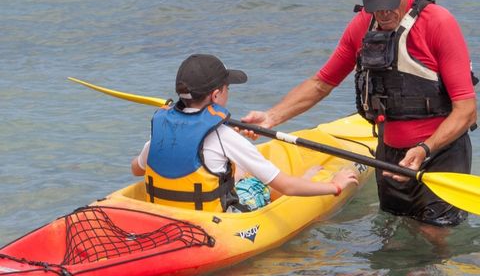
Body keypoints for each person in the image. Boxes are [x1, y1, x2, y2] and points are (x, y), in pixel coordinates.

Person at [242, 0, 477, 227]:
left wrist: (425, 149)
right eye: (376, 6)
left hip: (439, 155)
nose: (383, 13)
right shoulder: (362, 25)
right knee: (394, 236)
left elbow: (466, 111)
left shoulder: (438, 23)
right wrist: (271, 117)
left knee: (435, 236)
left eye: (390, 4)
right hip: (389, 157)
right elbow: (321, 83)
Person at [131, 53, 359, 212]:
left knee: (236, 169)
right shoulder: (223, 136)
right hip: (213, 222)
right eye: (227, 88)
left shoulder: (162, 129)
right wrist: (335, 186)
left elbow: (137, 169)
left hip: (169, 212)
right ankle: (306, 179)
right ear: (216, 95)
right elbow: (287, 187)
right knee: (259, 184)